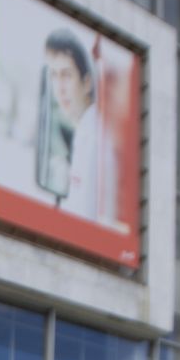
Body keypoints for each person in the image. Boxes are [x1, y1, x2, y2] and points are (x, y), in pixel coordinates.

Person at [43, 28, 109, 225]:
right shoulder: (84, 132)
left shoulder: (95, 136)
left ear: (87, 82)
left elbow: (85, 218)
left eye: (66, 75)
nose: (59, 88)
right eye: (54, 76)